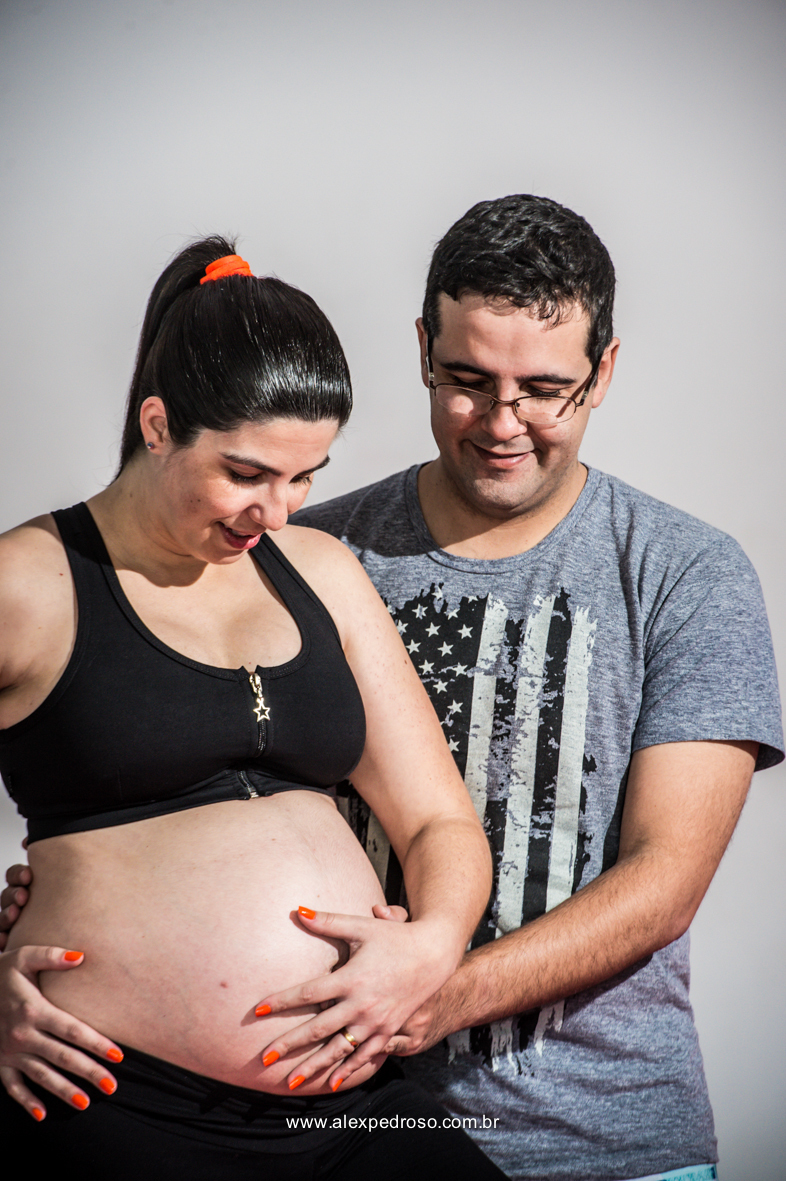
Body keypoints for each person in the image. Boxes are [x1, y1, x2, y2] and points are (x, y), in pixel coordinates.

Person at [3, 196, 784, 1179]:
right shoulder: (297, 543)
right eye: (467, 379)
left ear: (606, 372)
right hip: (314, 1100)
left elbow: (661, 881)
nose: (504, 422)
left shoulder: (682, 570)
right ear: (422, 350)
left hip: (599, 1128)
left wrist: (423, 983)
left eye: (546, 388)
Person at [0, 237, 505, 1180]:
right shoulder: (27, 582)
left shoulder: (321, 570)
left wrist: (432, 944)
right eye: (245, 473)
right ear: (157, 425)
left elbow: (438, 817)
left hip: (358, 1106)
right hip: (116, 1098)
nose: (277, 510)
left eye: (305, 474)